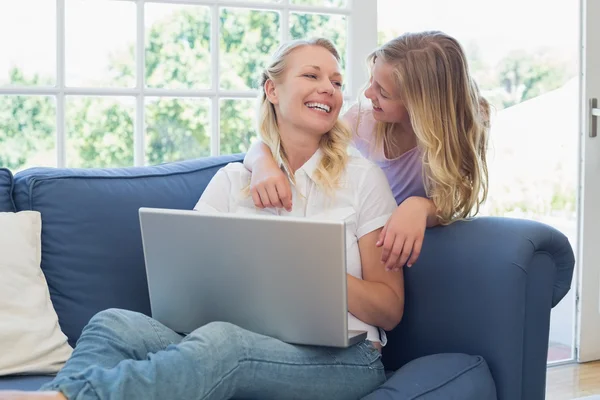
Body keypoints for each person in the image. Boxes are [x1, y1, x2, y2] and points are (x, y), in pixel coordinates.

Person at [0, 38, 404, 400]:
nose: (328, 89)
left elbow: (389, 308)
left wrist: (309, 272)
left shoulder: (363, 179)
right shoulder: (233, 179)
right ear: (272, 89)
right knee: (113, 324)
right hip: (248, 339)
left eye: (336, 82)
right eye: (312, 75)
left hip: (346, 359)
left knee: (225, 343)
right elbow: (186, 283)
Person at [244, 31, 491, 272]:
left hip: (399, 252)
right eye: (372, 80)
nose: (368, 93)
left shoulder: (462, 132)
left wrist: (422, 208)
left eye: (383, 92)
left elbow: (456, 199)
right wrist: (261, 159)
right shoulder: (363, 120)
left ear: (419, 106)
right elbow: (299, 146)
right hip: (364, 237)